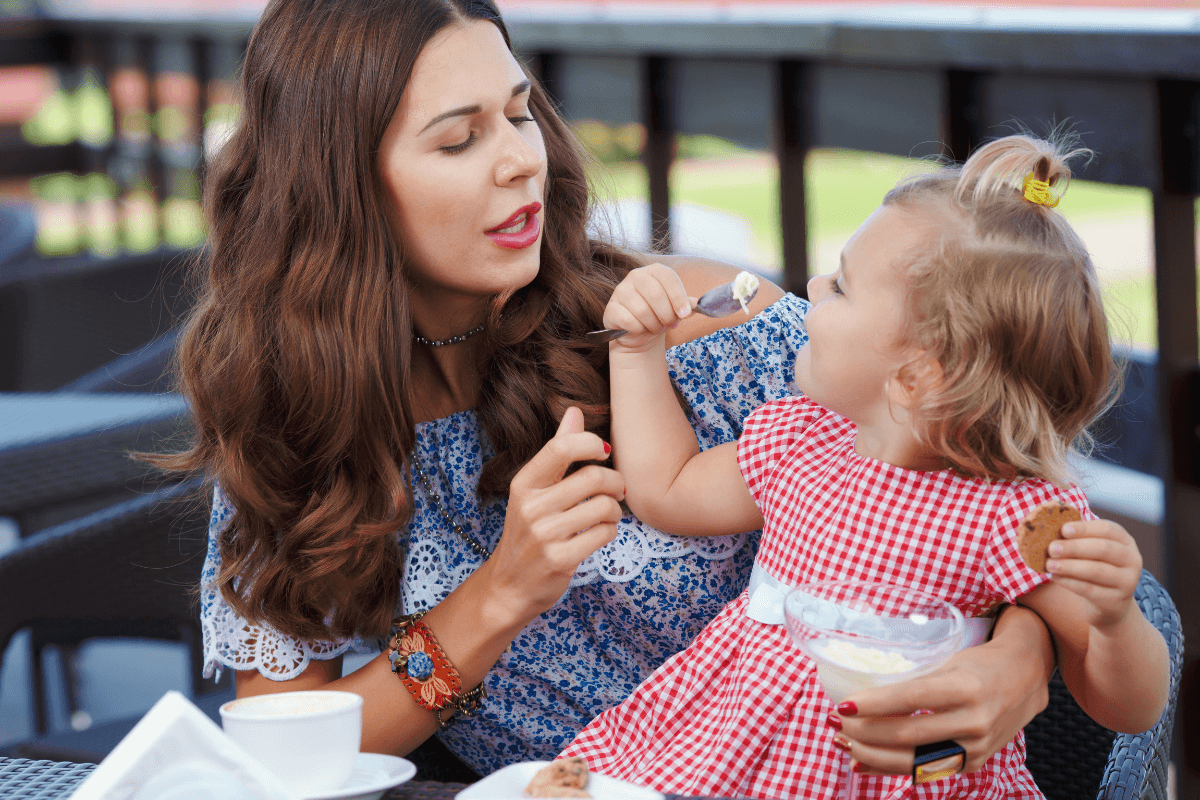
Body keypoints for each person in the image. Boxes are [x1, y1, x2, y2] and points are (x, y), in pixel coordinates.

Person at [164, 0, 1074, 781]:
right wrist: (499, 596)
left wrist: (1020, 658)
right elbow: (284, 754)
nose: (523, 160)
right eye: (458, 138)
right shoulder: (296, 423)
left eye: (518, 115)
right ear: (340, 188)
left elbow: (999, 480)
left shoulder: (696, 327)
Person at [560, 133, 1171, 799]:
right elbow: (667, 489)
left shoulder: (1010, 512)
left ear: (916, 378)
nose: (813, 286)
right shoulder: (800, 441)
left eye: (843, 286)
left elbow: (1129, 710)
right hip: (732, 758)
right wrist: (636, 352)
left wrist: (1115, 619)